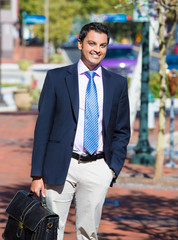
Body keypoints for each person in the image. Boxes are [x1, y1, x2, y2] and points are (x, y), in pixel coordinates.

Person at [30, 22, 130, 240]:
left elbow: (122, 130)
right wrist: (37, 174)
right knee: (50, 231)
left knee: (88, 233)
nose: (97, 49)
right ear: (80, 44)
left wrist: (111, 169)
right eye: (92, 43)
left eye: (102, 45)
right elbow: (43, 127)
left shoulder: (117, 84)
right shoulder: (57, 78)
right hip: (60, 167)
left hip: (98, 167)